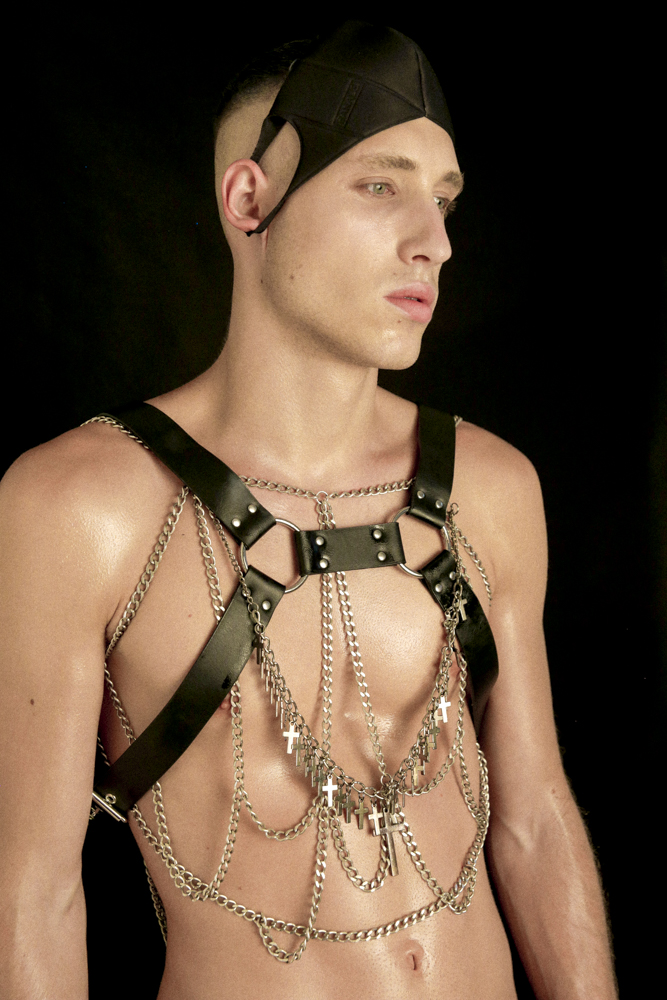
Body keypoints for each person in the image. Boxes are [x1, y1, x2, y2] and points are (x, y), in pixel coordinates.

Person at [0, 20, 618, 999]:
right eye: (380, 186)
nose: (434, 241)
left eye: (443, 199)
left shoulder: (489, 486)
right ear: (250, 199)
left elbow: (536, 818)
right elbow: (33, 897)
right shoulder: (83, 507)